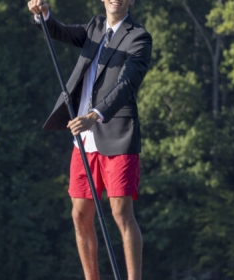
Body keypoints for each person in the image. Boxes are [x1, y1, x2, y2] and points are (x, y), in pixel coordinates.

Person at [27, 0, 152, 279]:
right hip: (83, 139)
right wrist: (44, 14)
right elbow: (59, 31)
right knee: (80, 214)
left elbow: (127, 84)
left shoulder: (139, 37)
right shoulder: (95, 26)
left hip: (117, 136)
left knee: (121, 213)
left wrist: (94, 115)